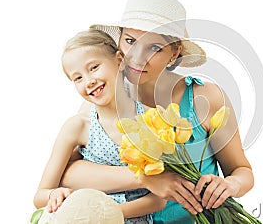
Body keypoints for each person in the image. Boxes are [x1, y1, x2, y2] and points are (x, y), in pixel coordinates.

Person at [60, 0, 255, 223]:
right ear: (119, 41)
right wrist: (145, 178)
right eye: (130, 41)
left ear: (175, 53)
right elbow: (67, 174)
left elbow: (242, 171)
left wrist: (231, 184)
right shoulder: (103, 100)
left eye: (154, 48)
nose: (137, 57)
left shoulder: (205, 98)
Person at [33, 29, 166, 223]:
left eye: (94, 67)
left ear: (119, 60)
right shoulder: (77, 127)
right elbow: (40, 195)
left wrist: (111, 213)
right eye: (77, 78)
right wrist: (56, 194)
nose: (89, 81)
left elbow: (159, 199)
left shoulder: (153, 119)